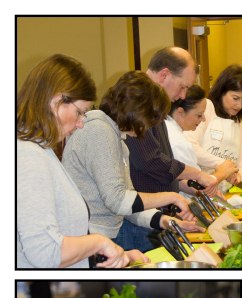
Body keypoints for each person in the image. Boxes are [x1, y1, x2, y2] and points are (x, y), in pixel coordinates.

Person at [17, 54, 148, 269]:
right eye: (80, 112)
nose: (80, 123)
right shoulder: (29, 156)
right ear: (56, 101)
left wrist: (109, 254)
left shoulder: (42, 151)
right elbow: (46, 253)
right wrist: (99, 242)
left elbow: (64, 238)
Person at [62, 71, 200, 253]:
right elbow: (118, 200)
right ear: (138, 112)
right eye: (149, 120)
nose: (148, 127)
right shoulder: (99, 130)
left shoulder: (116, 137)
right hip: (88, 237)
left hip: (105, 234)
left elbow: (127, 203)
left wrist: (164, 220)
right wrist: (172, 197)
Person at [125, 47, 234, 197]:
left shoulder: (156, 104)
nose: (183, 96)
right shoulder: (137, 100)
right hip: (146, 206)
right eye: (182, 87)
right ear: (164, 75)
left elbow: (163, 168)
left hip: (160, 201)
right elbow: (150, 160)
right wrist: (197, 175)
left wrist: (190, 186)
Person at [184, 65, 242, 186]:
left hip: (224, 190)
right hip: (198, 185)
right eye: (235, 98)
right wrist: (222, 164)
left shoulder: (239, 123)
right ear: (221, 91)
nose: (240, 105)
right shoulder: (206, 108)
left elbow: (241, 163)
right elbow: (190, 146)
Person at [167, 84, 239, 192]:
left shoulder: (170, 130)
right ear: (180, 112)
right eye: (199, 115)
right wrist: (222, 173)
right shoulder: (178, 142)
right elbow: (197, 187)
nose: (204, 119)